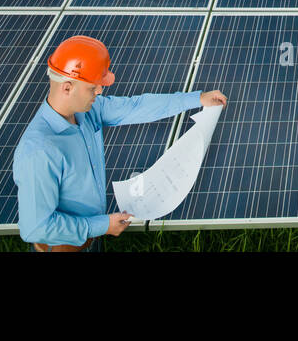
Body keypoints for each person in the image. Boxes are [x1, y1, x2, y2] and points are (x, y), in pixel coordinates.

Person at [13, 35, 227, 252]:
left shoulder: (87, 113)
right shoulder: (39, 150)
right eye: (92, 88)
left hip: (91, 241)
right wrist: (103, 225)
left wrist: (196, 99)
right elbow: (35, 227)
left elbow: (135, 107)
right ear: (67, 88)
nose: (99, 91)